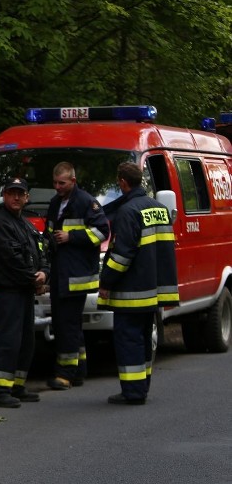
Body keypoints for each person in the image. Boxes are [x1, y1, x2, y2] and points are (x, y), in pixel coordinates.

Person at [98, 162, 179, 405]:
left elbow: (121, 256)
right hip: (153, 292)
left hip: (131, 292)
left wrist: (106, 280)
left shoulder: (127, 211)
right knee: (144, 339)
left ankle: (132, 392)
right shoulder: (159, 209)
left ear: (123, 182)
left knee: (128, 339)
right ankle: (141, 387)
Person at [0, 177, 49, 408]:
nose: (16, 197)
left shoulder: (26, 225)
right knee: (7, 341)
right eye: (12, 193)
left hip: (24, 292)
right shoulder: (0, 224)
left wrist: (44, 273)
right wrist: (35, 279)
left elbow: (42, 251)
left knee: (25, 341)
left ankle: (16, 386)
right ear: (4, 195)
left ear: (27, 197)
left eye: (21, 193)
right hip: (9, 292)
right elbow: (12, 262)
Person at [45, 162, 110, 390]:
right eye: (55, 183)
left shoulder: (86, 202)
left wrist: (71, 237)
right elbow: (49, 233)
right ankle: (80, 370)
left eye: (62, 183)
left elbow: (102, 231)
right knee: (68, 324)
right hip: (60, 274)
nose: (57, 187)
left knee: (66, 325)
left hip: (77, 276)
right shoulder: (55, 203)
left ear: (73, 181)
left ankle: (65, 374)